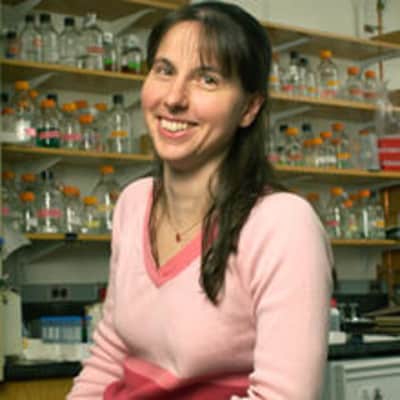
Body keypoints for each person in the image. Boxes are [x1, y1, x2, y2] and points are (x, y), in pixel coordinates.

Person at [67, 2, 332, 399]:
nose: (174, 98)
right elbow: (110, 355)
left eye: (207, 79)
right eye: (165, 70)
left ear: (249, 108)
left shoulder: (282, 224)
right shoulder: (133, 203)